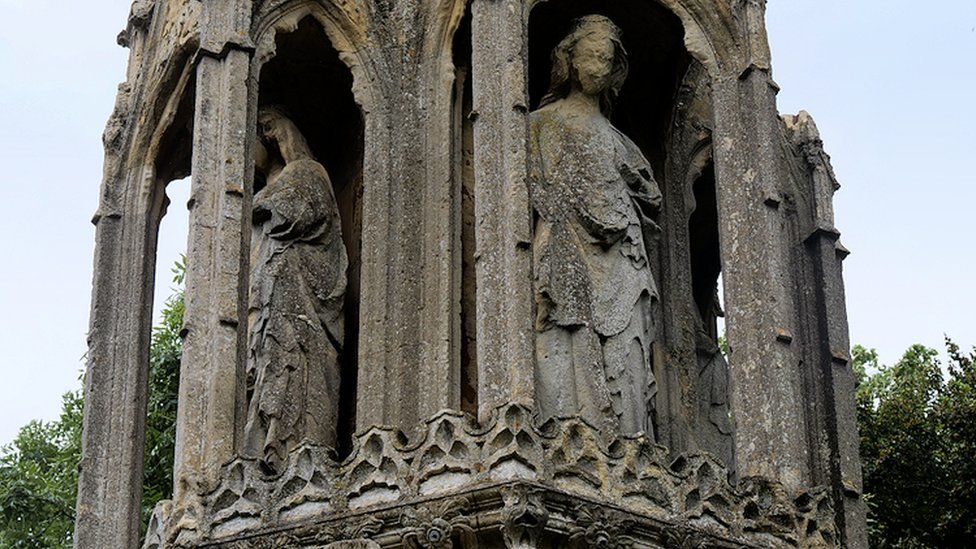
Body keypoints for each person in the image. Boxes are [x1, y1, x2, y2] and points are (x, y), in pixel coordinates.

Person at [530, 15, 661, 438]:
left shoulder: (622, 142)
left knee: (628, 348)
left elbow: (651, 197)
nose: (598, 67)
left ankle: (628, 442)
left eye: (606, 60)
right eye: (590, 56)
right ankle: (570, 434)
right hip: (567, 246)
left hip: (623, 257)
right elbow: (532, 188)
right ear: (569, 60)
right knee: (565, 334)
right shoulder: (539, 125)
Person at [243, 106, 347, 473]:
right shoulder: (269, 187)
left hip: (295, 296)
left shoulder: (304, 172)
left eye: (250, 137)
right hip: (266, 297)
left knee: (295, 369)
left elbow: (297, 211)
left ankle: (299, 453)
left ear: (270, 135)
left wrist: (249, 202)